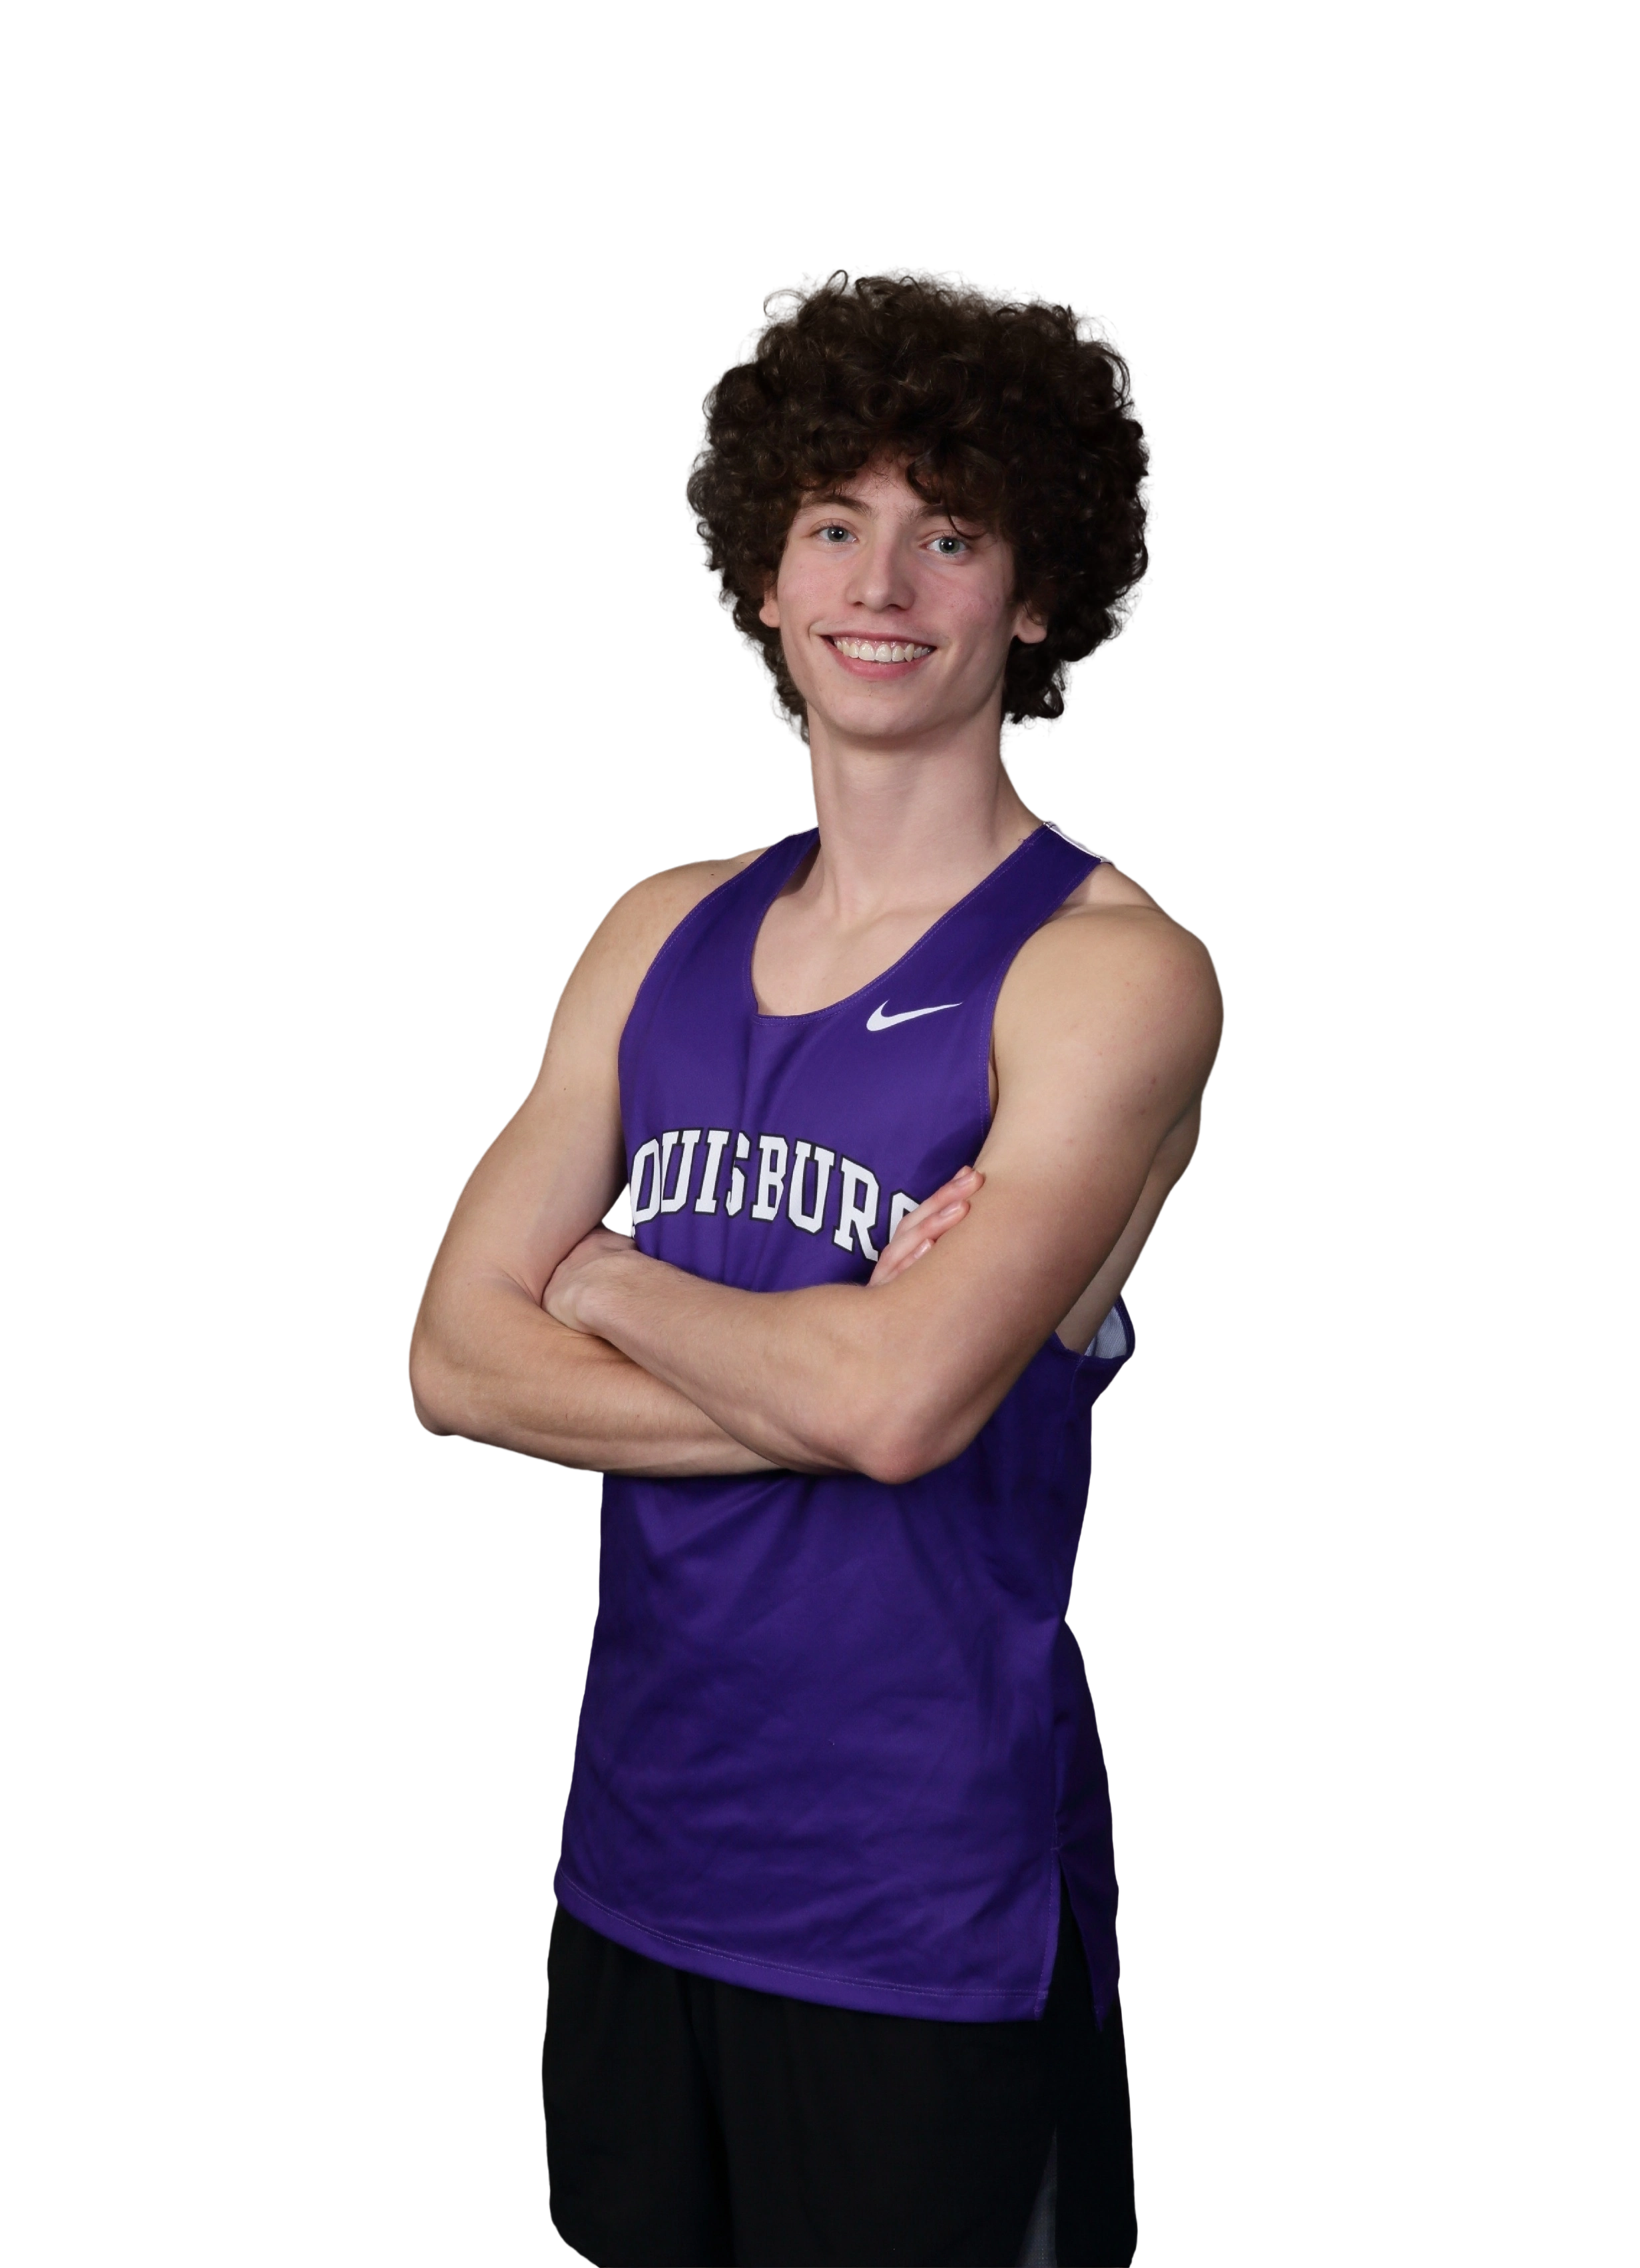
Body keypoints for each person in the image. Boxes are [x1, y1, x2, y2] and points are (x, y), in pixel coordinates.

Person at [406, 262, 1225, 2268]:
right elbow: (449, 1365)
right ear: (762, 581)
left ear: (1036, 593)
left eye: (951, 532)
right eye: (834, 524)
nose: (882, 583)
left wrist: (602, 1281)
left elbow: (902, 1406)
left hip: (926, 1913)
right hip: (642, 1861)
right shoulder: (657, 932)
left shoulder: (1106, 974)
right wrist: (835, 1359)